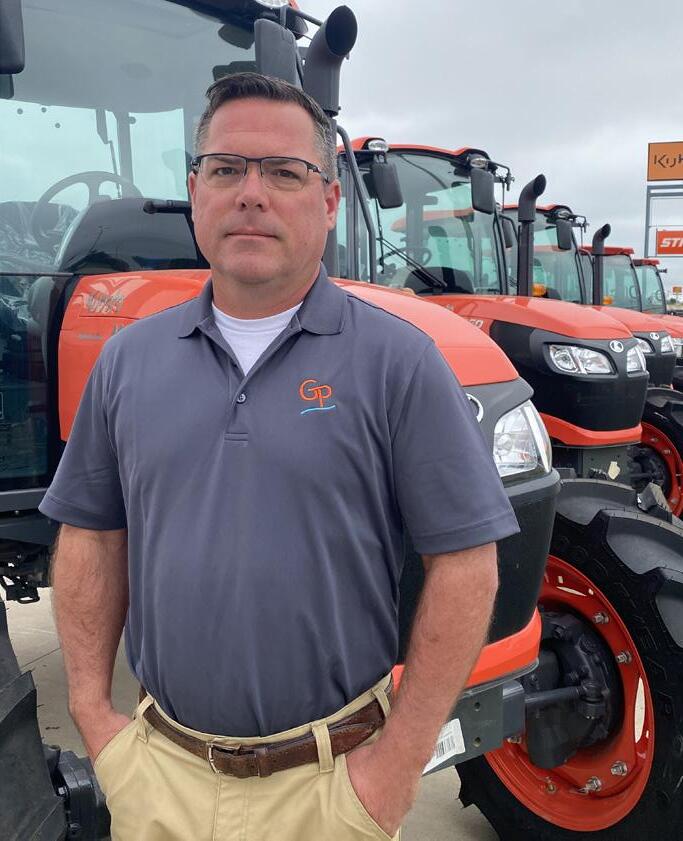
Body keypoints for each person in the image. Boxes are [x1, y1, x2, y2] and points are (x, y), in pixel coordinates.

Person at [39, 73, 519, 841]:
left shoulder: (399, 362)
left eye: (284, 172)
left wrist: (397, 765)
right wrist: (93, 714)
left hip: (332, 789)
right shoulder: (127, 362)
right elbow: (92, 537)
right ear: (194, 190)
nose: (250, 194)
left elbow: (466, 566)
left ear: (328, 201)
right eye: (226, 169)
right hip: (157, 780)